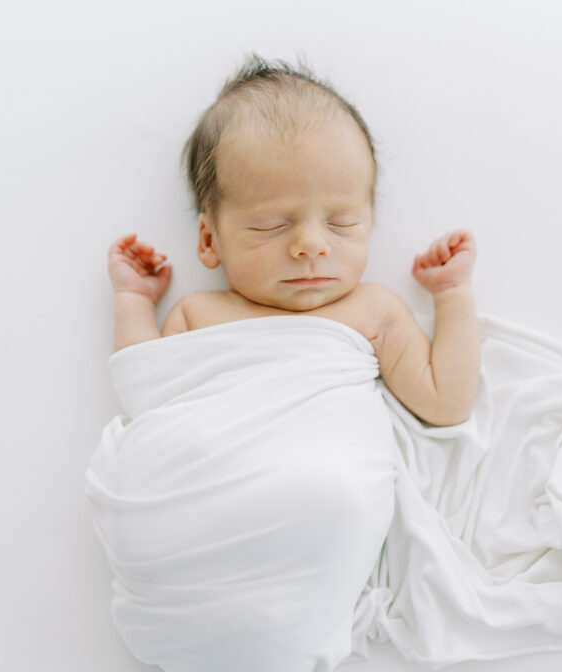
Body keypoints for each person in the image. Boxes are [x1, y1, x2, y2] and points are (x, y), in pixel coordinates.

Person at [106, 53, 479, 426]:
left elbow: (446, 405)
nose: (312, 245)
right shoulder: (198, 314)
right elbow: (146, 393)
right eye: (272, 225)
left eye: (342, 222)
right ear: (209, 240)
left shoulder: (374, 310)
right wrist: (135, 301)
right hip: (215, 473)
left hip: (336, 478)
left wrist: (452, 295)